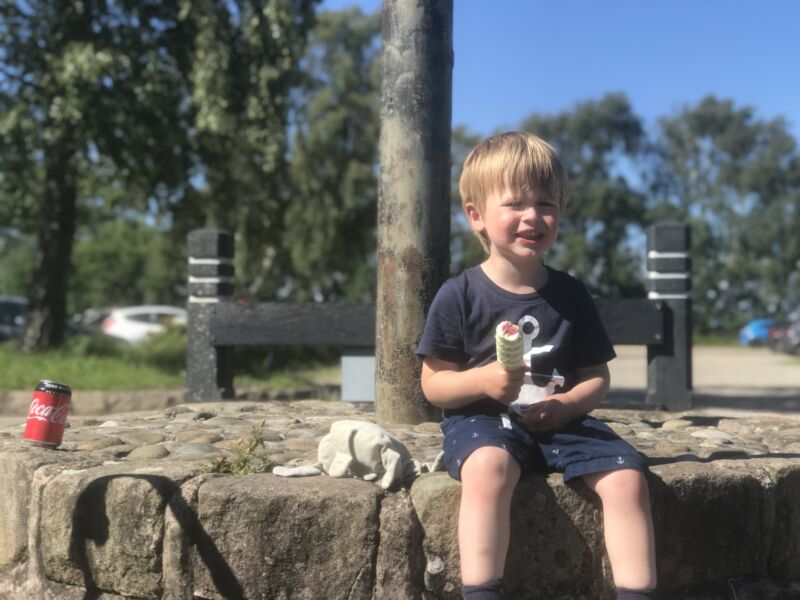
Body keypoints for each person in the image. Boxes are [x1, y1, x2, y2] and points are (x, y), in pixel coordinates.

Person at [416, 132, 657, 600]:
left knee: (627, 477)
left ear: (560, 213)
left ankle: (637, 592)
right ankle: (482, 592)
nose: (532, 215)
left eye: (546, 203)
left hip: (559, 418)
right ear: (477, 217)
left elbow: (595, 377)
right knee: (488, 468)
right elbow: (434, 384)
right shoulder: (459, 294)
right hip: (483, 417)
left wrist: (567, 406)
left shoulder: (570, 295)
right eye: (514, 204)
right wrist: (483, 380)